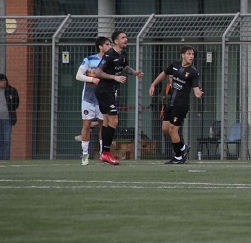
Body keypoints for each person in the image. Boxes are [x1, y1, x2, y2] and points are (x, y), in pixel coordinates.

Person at [94, 30, 143, 166]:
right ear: (116, 41)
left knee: (106, 121)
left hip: (110, 91)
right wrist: (114, 77)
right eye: (123, 37)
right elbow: (97, 72)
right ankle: (106, 153)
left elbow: (124, 67)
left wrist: (135, 73)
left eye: (126, 37)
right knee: (114, 121)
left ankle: (104, 153)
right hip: (104, 91)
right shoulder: (109, 54)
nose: (126, 39)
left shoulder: (123, 55)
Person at [149, 45, 203, 164]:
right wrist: (153, 84)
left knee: (173, 129)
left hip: (181, 105)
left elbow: (195, 88)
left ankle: (179, 156)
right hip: (171, 103)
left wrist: (197, 93)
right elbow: (163, 73)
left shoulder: (193, 72)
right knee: (165, 129)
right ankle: (183, 147)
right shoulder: (175, 65)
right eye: (189, 54)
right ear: (182, 55)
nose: (191, 56)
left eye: (193, 54)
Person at [75, 36, 111, 165]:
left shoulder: (110, 61)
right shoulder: (89, 60)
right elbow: (78, 76)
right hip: (88, 98)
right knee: (86, 124)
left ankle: (103, 154)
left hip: (103, 98)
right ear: (100, 47)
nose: (110, 47)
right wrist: (92, 79)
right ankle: (85, 154)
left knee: (104, 125)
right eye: (107, 44)